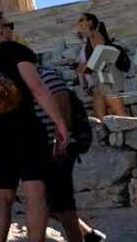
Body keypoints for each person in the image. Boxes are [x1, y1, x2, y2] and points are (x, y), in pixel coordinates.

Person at [0, 11, 68, 242]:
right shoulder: (17, 50)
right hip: (23, 125)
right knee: (35, 191)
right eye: (10, 25)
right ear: (1, 29)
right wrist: (60, 123)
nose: (12, 30)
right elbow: (37, 88)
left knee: (3, 192)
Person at [34, 65, 105, 242]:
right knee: (50, 204)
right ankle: (89, 235)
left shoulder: (47, 75)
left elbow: (64, 108)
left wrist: (59, 142)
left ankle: (83, 237)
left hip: (60, 147)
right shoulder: (24, 81)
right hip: (43, 148)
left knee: (62, 204)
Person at [76, 13, 128, 118]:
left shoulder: (95, 34)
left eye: (81, 20)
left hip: (108, 75)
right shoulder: (88, 41)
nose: (78, 23)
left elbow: (101, 53)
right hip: (100, 78)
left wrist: (85, 66)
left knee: (117, 109)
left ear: (90, 22)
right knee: (100, 113)